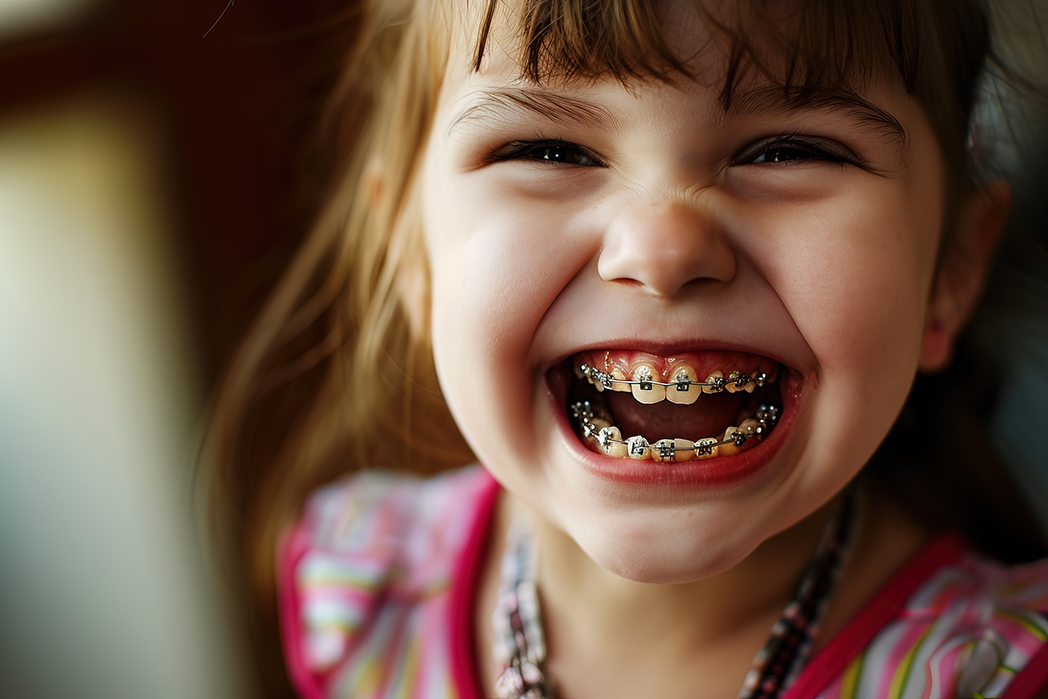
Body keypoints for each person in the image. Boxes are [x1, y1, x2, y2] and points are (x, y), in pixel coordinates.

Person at [205, 0, 1048, 697]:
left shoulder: (988, 674)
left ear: (951, 271)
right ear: (411, 256)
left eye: (791, 150)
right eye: (547, 150)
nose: (663, 247)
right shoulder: (368, 600)